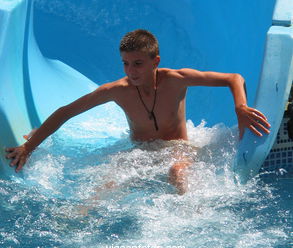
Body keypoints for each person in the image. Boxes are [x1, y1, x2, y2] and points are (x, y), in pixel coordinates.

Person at [5, 29, 271, 194]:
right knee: (104, 186)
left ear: (156, 61)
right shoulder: (117, 90)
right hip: (139, 152)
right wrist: (29, 147)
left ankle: (187, 225)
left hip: (178, 147)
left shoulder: (176, 79)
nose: (131, 71)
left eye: (138, 64)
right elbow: (66, 112)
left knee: (177, 173)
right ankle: (79, 221)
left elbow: (233, 78)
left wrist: (240, 107)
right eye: (126, 63)